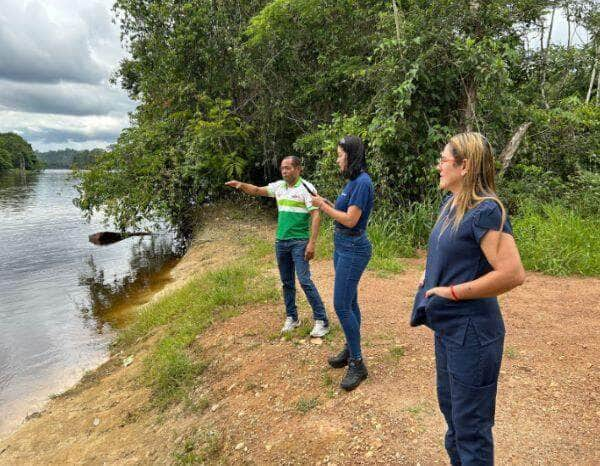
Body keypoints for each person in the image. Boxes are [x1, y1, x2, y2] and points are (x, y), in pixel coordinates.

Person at [412, 132, 526, 465]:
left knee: (471, 429)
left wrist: (453, 291)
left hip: (473, 335)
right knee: (453, 417)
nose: (438, 166)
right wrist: (431, 273)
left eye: (444, 160)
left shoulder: (486, 210)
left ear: (465, 166)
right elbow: (451, 252)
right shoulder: (451, 204)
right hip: (448, 329)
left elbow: (512, 273)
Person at [225, 156, 330, 337]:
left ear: (298, 169)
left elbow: (316, 216)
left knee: (304, 280)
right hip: (281, 242)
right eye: (282, 168)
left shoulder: (307, 188)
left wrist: (312, 243)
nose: (284, 171)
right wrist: (241, 185)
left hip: (299, 241)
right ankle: (292, 317)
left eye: (288, 168)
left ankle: (321, 320)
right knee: (286, 282)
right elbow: (258, 190)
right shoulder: (279, 187)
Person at [310, 136, 374, 391]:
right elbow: (342, 212)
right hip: (343, 247)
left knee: (341, 305)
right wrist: (324, 202)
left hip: (354, 248)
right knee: (350, 302)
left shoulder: (362, 183)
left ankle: (358, 363)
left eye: (340, 155)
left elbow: (350, 220)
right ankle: (351, 347)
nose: (337, 159)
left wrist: (322, 208)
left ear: (351, 156)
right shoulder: (352, 182)